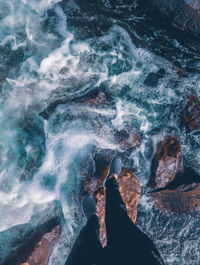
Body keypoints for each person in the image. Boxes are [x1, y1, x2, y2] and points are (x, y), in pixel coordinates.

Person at [65, 157, 165, 265]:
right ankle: (111, 181)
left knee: (84, 246)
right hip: (141, 259)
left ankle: (93, 219)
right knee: (119, 219)